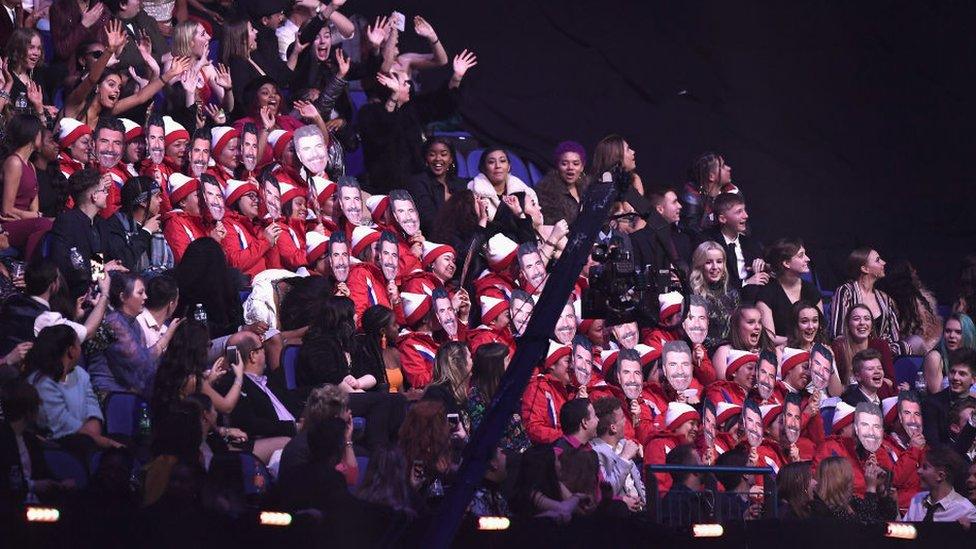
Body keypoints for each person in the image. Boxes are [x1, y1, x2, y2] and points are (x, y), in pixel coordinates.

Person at [360, 49, 478, 193]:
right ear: (390, 86)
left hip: (416, 184)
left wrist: (456, 77)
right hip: (384, 185)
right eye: (405, 83)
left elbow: (442, 103)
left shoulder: (413, 109)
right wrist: (394, 97)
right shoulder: (369, 112)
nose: (410, 86)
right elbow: (381, 135)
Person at [24, 325, 123, 456]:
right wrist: (104, 442)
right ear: (71, 351)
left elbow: (92, 405)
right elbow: (61, 424)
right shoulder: (41, 382)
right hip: (54, 447)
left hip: (87, 438)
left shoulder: (80, 374)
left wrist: (93, 428)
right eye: (79, 344)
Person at [213, 335, 295, 463]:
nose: (265, 352)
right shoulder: (232, 384)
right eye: (262, 348)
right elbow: (251, 424)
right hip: (274, 439)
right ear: (253, 355)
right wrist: (293, 427)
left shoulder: (270, 380)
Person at [101, 272, 180, 397]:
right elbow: (141, 362)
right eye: (140, 293)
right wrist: (166, 338)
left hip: (130, 392)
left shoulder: (133, 322)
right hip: (109, 395)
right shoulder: (114, 321)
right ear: (123, 297)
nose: (146, 297)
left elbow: (147, 371)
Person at [830, 247, 920, 355]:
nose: (884, 262)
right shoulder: (846, 292)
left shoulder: (885, 299)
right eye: (878, 260)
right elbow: (838, 333)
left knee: (907, 346)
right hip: (854, 351)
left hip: (882, 352)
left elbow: (894, 337)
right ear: (865, 269)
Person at [1, 114, 53, 260]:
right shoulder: (14, 162)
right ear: (33, 134)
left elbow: (34, 208)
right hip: (8, 226)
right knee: (43, 224)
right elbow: (7, 210)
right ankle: (29, 270)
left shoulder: (31, 166)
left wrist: (35, 216)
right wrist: (36, 216)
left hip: (25, 222)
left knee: (60, 223)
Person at [173, 237, 244, 338]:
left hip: (226, 337)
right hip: (196, 345)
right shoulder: (182, 289)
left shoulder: (226, 284)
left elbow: (237, 320)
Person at [466, 342, 529, 453]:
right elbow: (484, 439)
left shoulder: (506, 390)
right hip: (500, 460)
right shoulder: (476, 398)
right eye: (508, 360)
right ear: (496, 367)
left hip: (522, 456)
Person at [755, 238, 822, 343]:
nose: (807, 259)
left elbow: (821, 330)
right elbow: (769, 337)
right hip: (781, 353)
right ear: (786, 263)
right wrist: (799, 341)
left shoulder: (811, 290)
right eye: (801, 256)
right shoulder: (767, 294)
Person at [699, 193, 765, 291]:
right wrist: (746, 283)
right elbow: (711, 280)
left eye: (744, 210)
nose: (746, 215)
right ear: (722, 219)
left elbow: (760, 275)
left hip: (751, 299)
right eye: (739, 212)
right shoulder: (708, 242)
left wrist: (762, 266)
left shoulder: (751, 244)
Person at [590, 396, 644, 511]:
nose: (626, 421)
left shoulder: (625, 445)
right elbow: (608, 490)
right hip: (617, 517)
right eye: (623, 418)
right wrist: (624, 458)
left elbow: (638, 484)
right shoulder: (595, 452)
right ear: (613, 427)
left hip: (641, 513)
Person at [102, 176, 166, 273]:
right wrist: (146, 232)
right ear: (143, 202)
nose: (161, 200)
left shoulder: (155, 225)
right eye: (157, 196)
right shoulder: (114, 226)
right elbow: (121, 263)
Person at [406, 138, 468, 235]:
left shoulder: (460, 184)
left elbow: (467, 218)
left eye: (443, 154)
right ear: (426, 158)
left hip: (461, 237)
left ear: (451, 158)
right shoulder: (418, 182)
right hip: (433, 239)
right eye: (432, 154)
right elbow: (429, 221)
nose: (438, 158)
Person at [878, 260, 942, 352]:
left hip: (927, 347)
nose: (915, 272)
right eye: (912, 271)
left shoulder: (922, 302)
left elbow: (930, 334)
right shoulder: (887, 304)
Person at [902, 445, 976, 522]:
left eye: (925, 467)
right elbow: (903, 532)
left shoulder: (965, 510)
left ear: (940, 476)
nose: (919, 471)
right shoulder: (917, 499)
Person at [922, 348, 976, 445]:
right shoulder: (932, 405)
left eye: (962, 374)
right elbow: (934, 446)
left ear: (973, 379)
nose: (955, 377)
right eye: (952, 372)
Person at [535, 141, 591, 227]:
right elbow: (553, 224)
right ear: (557, 166)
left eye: (576, 164)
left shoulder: (587, 184)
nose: (570, 168)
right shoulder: (546, 190)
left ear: (582, 167)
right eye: (564, 164)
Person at [923, 313, 975, 394]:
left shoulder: (972, 356)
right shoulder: (935, 358)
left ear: (968, 335)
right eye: (948, 331)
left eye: (958, 332)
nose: (951, 335)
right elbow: (939, 397)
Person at [658, 443, 709, 525]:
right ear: (695, 469)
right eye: (700, 461)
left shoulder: (690, 498)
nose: (704, 464)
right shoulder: (677, 504)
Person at [422, 341, 471, 423]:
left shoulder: (463, 392)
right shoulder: (436, 395)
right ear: (458, 363)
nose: (473, 362)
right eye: (470, 357)